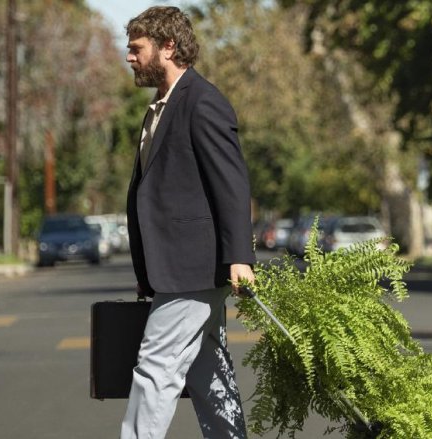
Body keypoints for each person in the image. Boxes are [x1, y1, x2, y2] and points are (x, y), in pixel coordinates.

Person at [120, 6, 256, 439]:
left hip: (191, 267)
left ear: (168, 46)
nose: (129, 57)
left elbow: (231, 184)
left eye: (136, 48)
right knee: (206, 368)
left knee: (155, 367)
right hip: (175, 269)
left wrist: (239, 257)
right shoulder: (160, 106)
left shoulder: (203, 102)